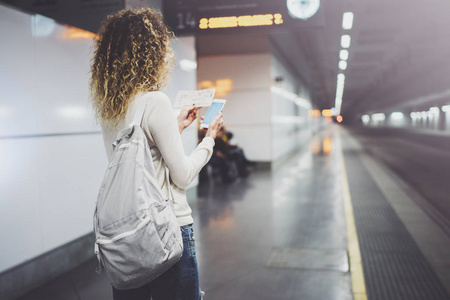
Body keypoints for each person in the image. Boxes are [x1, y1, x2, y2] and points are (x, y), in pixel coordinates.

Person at [89, 8, 223, 300]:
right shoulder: (155, 101)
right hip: (166, 231)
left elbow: (140, 157)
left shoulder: (111, 107)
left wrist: (177, 126)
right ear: (150, 51)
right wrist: (209, 140)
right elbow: (183, 175)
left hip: (127, 237)